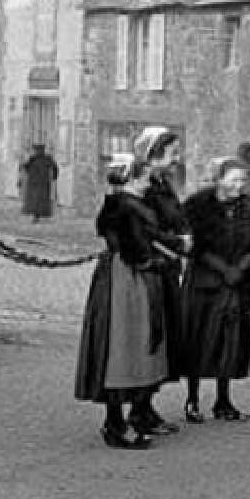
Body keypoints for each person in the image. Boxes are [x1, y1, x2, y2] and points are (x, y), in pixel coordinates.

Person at [73, 154, 180, 449]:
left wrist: (175, 247)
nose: (149, 183)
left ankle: (133, 415)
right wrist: (158, 261)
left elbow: (151, 236)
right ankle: (115, 423)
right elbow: (135, 249)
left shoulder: (130, 204)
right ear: (133, 178)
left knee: (137, 347)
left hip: (132, 280)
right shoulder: (123, 206)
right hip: (125, 281)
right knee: (122, 348)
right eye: (145, 178)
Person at [179, 158, 250, 422]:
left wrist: (240, 266)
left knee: (231, 339)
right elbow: (195, 246)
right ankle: (192, 399)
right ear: (218, 179)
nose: (238, 186)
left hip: (237, 284)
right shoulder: (197, 206)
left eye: (242, 180)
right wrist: (221, 268)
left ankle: (223, 399)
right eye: (233, 180)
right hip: (205, 282)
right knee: (198, 336)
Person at [133, 126, 191, 435]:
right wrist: (176, 244)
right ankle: (139, 408)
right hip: (150, 270)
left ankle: (147, 405)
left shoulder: (163, 183)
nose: (177, 159)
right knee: (150, 336)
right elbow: (145, 229)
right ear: (154, 156)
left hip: (167, 268)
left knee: (164, 335)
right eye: (172, 153)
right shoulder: (144, 187)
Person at [19, 143, 58, 222]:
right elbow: (25, 166)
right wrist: (54, 176)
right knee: (37, 200)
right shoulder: (36, 158)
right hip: (39, 182)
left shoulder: (39, 158)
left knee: (37, 200)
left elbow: (25, 167)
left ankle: (37, 215)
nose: (37, 151)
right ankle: (36, 215)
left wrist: (54, 176)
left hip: (38, 182)